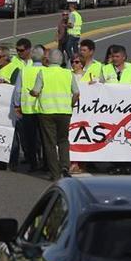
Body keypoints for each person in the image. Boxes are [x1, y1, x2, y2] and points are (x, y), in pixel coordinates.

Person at [31, 48, 79, 181]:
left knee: (50, 143)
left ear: (49, 60)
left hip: (46, 112)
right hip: (64, 111)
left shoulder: (43, 72)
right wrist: (70, 104)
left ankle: (55, 173)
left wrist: (32, 93)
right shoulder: (68, 74)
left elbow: (36, 91)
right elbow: (76, 93)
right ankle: (65, 166)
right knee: (63, 140)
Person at [12, 46, 45, 172]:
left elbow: (18, 90)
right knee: (42, 137)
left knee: (30, 138)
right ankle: (44, 161)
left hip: (28, 109)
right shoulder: (46, 70)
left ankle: (33, 163)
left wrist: (16, 105)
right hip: (43, 109)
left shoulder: (24, 70)